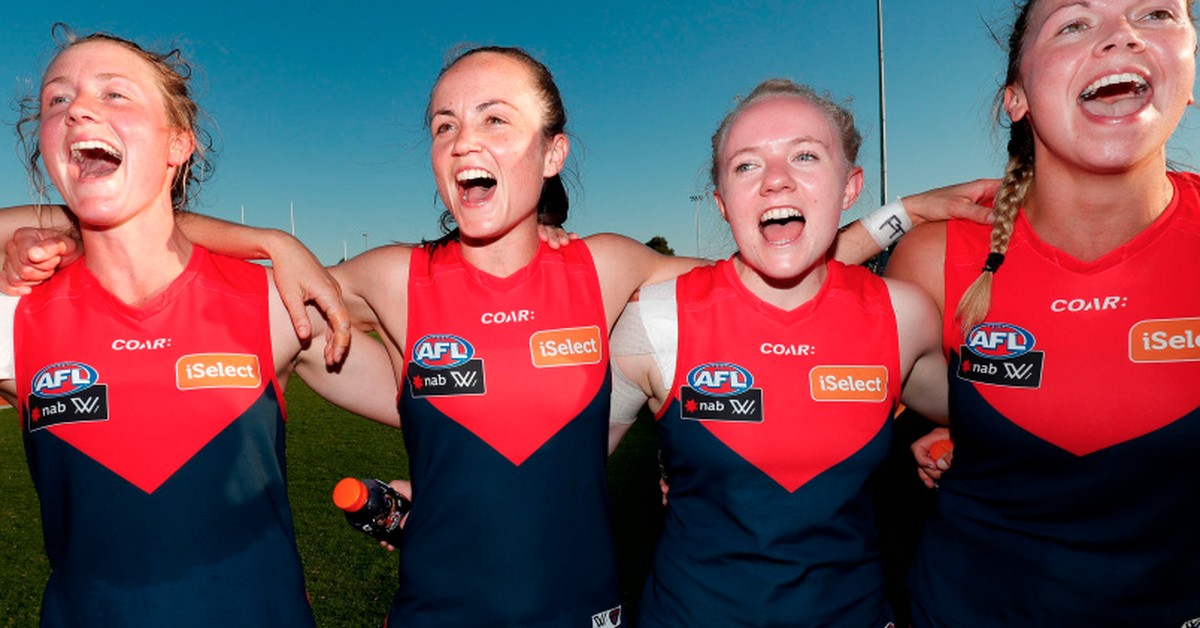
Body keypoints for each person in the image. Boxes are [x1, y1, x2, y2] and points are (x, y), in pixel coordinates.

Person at [4, 43, 992, 625]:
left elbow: (769, 269)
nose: (462, 138)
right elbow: (162, 249)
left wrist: (900, 214)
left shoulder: (608, 268)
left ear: (553, 150)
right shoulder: (391, 275)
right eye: (441, 125)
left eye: (493, 118)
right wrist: (253, 235)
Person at [7, 29, 401, 626]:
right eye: (57, 100)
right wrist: (263, 236)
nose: (78, 108)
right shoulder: (13, 315)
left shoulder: (276, 305)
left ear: (178, 144)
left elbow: (454, 406)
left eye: (115, 94)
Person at [886, 0, 1200, 624]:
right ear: (1017, 98)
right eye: (1075, 24)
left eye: (1157, 15)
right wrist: (893, 217)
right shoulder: (937, 257)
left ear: (1189, 78)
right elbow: (764, 331)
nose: (1122, 39)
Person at [606, 78, 948, 626]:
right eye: (746, 166)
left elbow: (999, 425)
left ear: (851, 185)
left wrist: (946, 440)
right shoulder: (654, 320)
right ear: (721, 203)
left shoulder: (904, 315)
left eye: (805, 155)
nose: (776, 181)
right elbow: (558, 474)